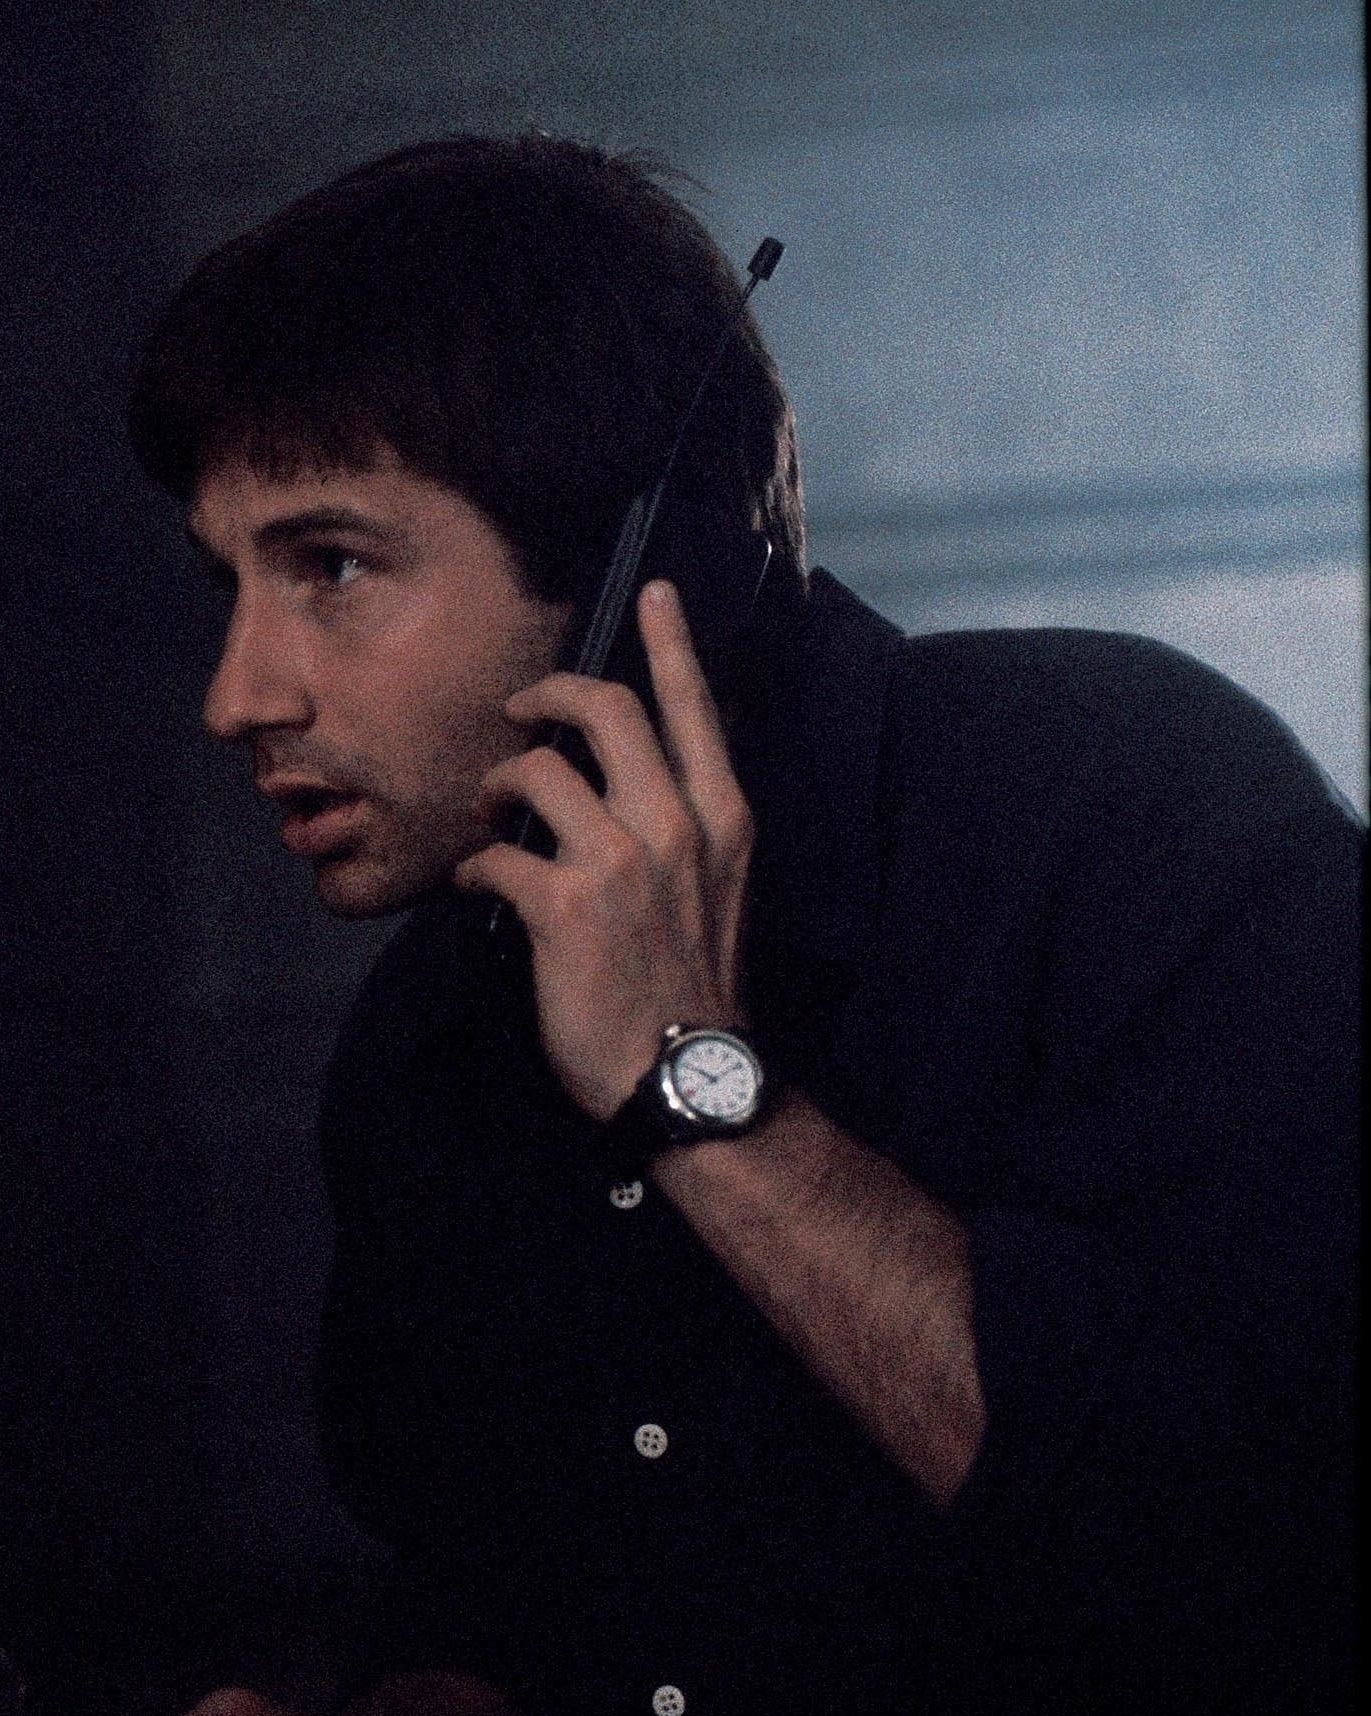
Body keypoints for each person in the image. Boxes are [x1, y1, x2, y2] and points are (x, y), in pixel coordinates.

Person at [130, 134, 1359, 1714]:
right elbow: (489, 1607)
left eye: (332, 565)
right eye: (225, 584)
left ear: (645, 565)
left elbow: (1247, 1557)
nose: (238, 695)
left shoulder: (1123, 805)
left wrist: (687, 1084)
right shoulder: (423, 1033)